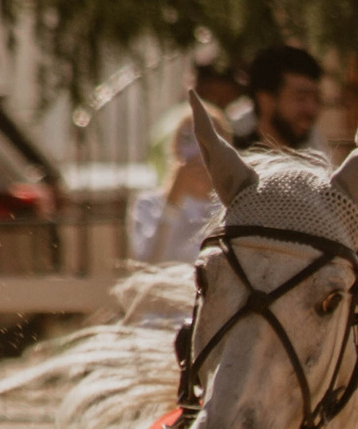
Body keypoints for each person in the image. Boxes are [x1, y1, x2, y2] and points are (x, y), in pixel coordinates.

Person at [129, 106, 226, 265]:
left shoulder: (231, 206)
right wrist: (172, 202)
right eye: (188, 139)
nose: (198, 151)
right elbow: (146, 263)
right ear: (175, 148)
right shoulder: (148, 203)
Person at [237, 44, 327, 159]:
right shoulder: (237, 163)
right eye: (301, 98)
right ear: (265, 100)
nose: (311, 109)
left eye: (317, 99)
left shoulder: (316, 162)